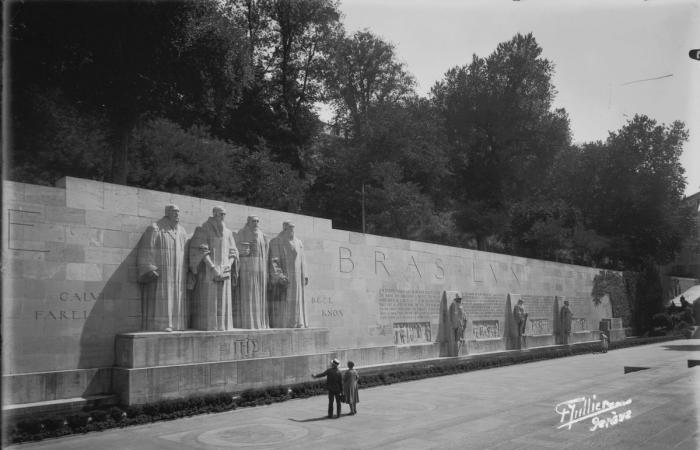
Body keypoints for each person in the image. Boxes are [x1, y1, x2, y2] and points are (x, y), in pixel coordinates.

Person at [137, 204, 189, 331]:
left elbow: (186, 252)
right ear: (167, 213)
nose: (177, 214)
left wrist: (188, 270)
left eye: (178, 212)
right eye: (174, 211)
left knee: (177, 295)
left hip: (178, 270)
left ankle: (177, 324)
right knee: (163, 296)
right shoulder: (155, 228)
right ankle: (163, 324)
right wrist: (150, 268)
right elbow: (147, 248)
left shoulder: (182, 231)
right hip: (162, 270)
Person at [189, 206, 239, 331]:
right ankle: (208, 326)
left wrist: (229, 265)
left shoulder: (227, 232)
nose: (222, 217)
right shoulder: (203, 228)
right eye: (220, 214)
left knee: (223, 301)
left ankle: (223, 326)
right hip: (208, 271)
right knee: (209, 301)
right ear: (214, 214)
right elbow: (201, 250)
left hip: (225, 270)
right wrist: (212, 268)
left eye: (224, 214)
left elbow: (233, 251)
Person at [268, 221, 308, 328]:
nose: (292, 230)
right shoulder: (277, 241)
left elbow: (302, 259)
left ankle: (297, 321)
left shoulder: (299, 242)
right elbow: (274, 260)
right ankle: (287, 323)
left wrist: (305, 274)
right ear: (285, 229)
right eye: (290, 228)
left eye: (293, 228)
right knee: (286, 299)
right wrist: (279, 275)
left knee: (297, 299)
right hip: (286, 275)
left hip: (298, 276)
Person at [236, 216, 269, 329]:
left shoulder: (261, 234)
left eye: (257, 221)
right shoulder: (242, 232)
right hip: (247, 267)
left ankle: (260, 322)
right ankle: (249, 322)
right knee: (249, 293)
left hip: (260, 268)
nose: (256, 223)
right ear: (248, 222)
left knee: (260, 293)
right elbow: (236, 249)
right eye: (253, 221)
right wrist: (243, 251)